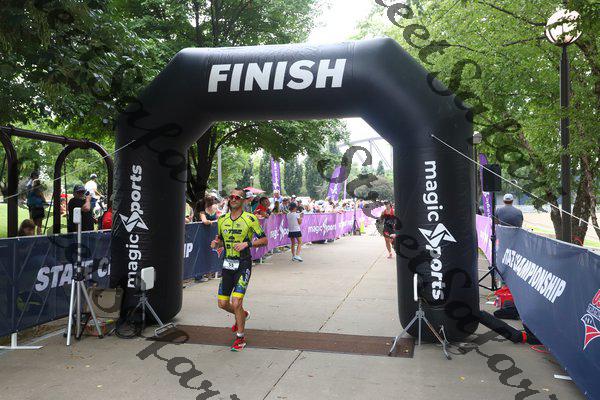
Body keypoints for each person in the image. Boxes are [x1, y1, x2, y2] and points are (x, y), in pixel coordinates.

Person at [211, 188, 268, 351]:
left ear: (243, 200)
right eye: (231, 197)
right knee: (223, 304)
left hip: (243, 264)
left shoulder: (250, 219)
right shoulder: (222, 220)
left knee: (236, 302)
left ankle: (240, 338)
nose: (234, 199)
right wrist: (216, 244)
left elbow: (264, 240)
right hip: (227, 265)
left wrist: (247, 244)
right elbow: (221, 241)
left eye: (237, 197)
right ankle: (243, 314)